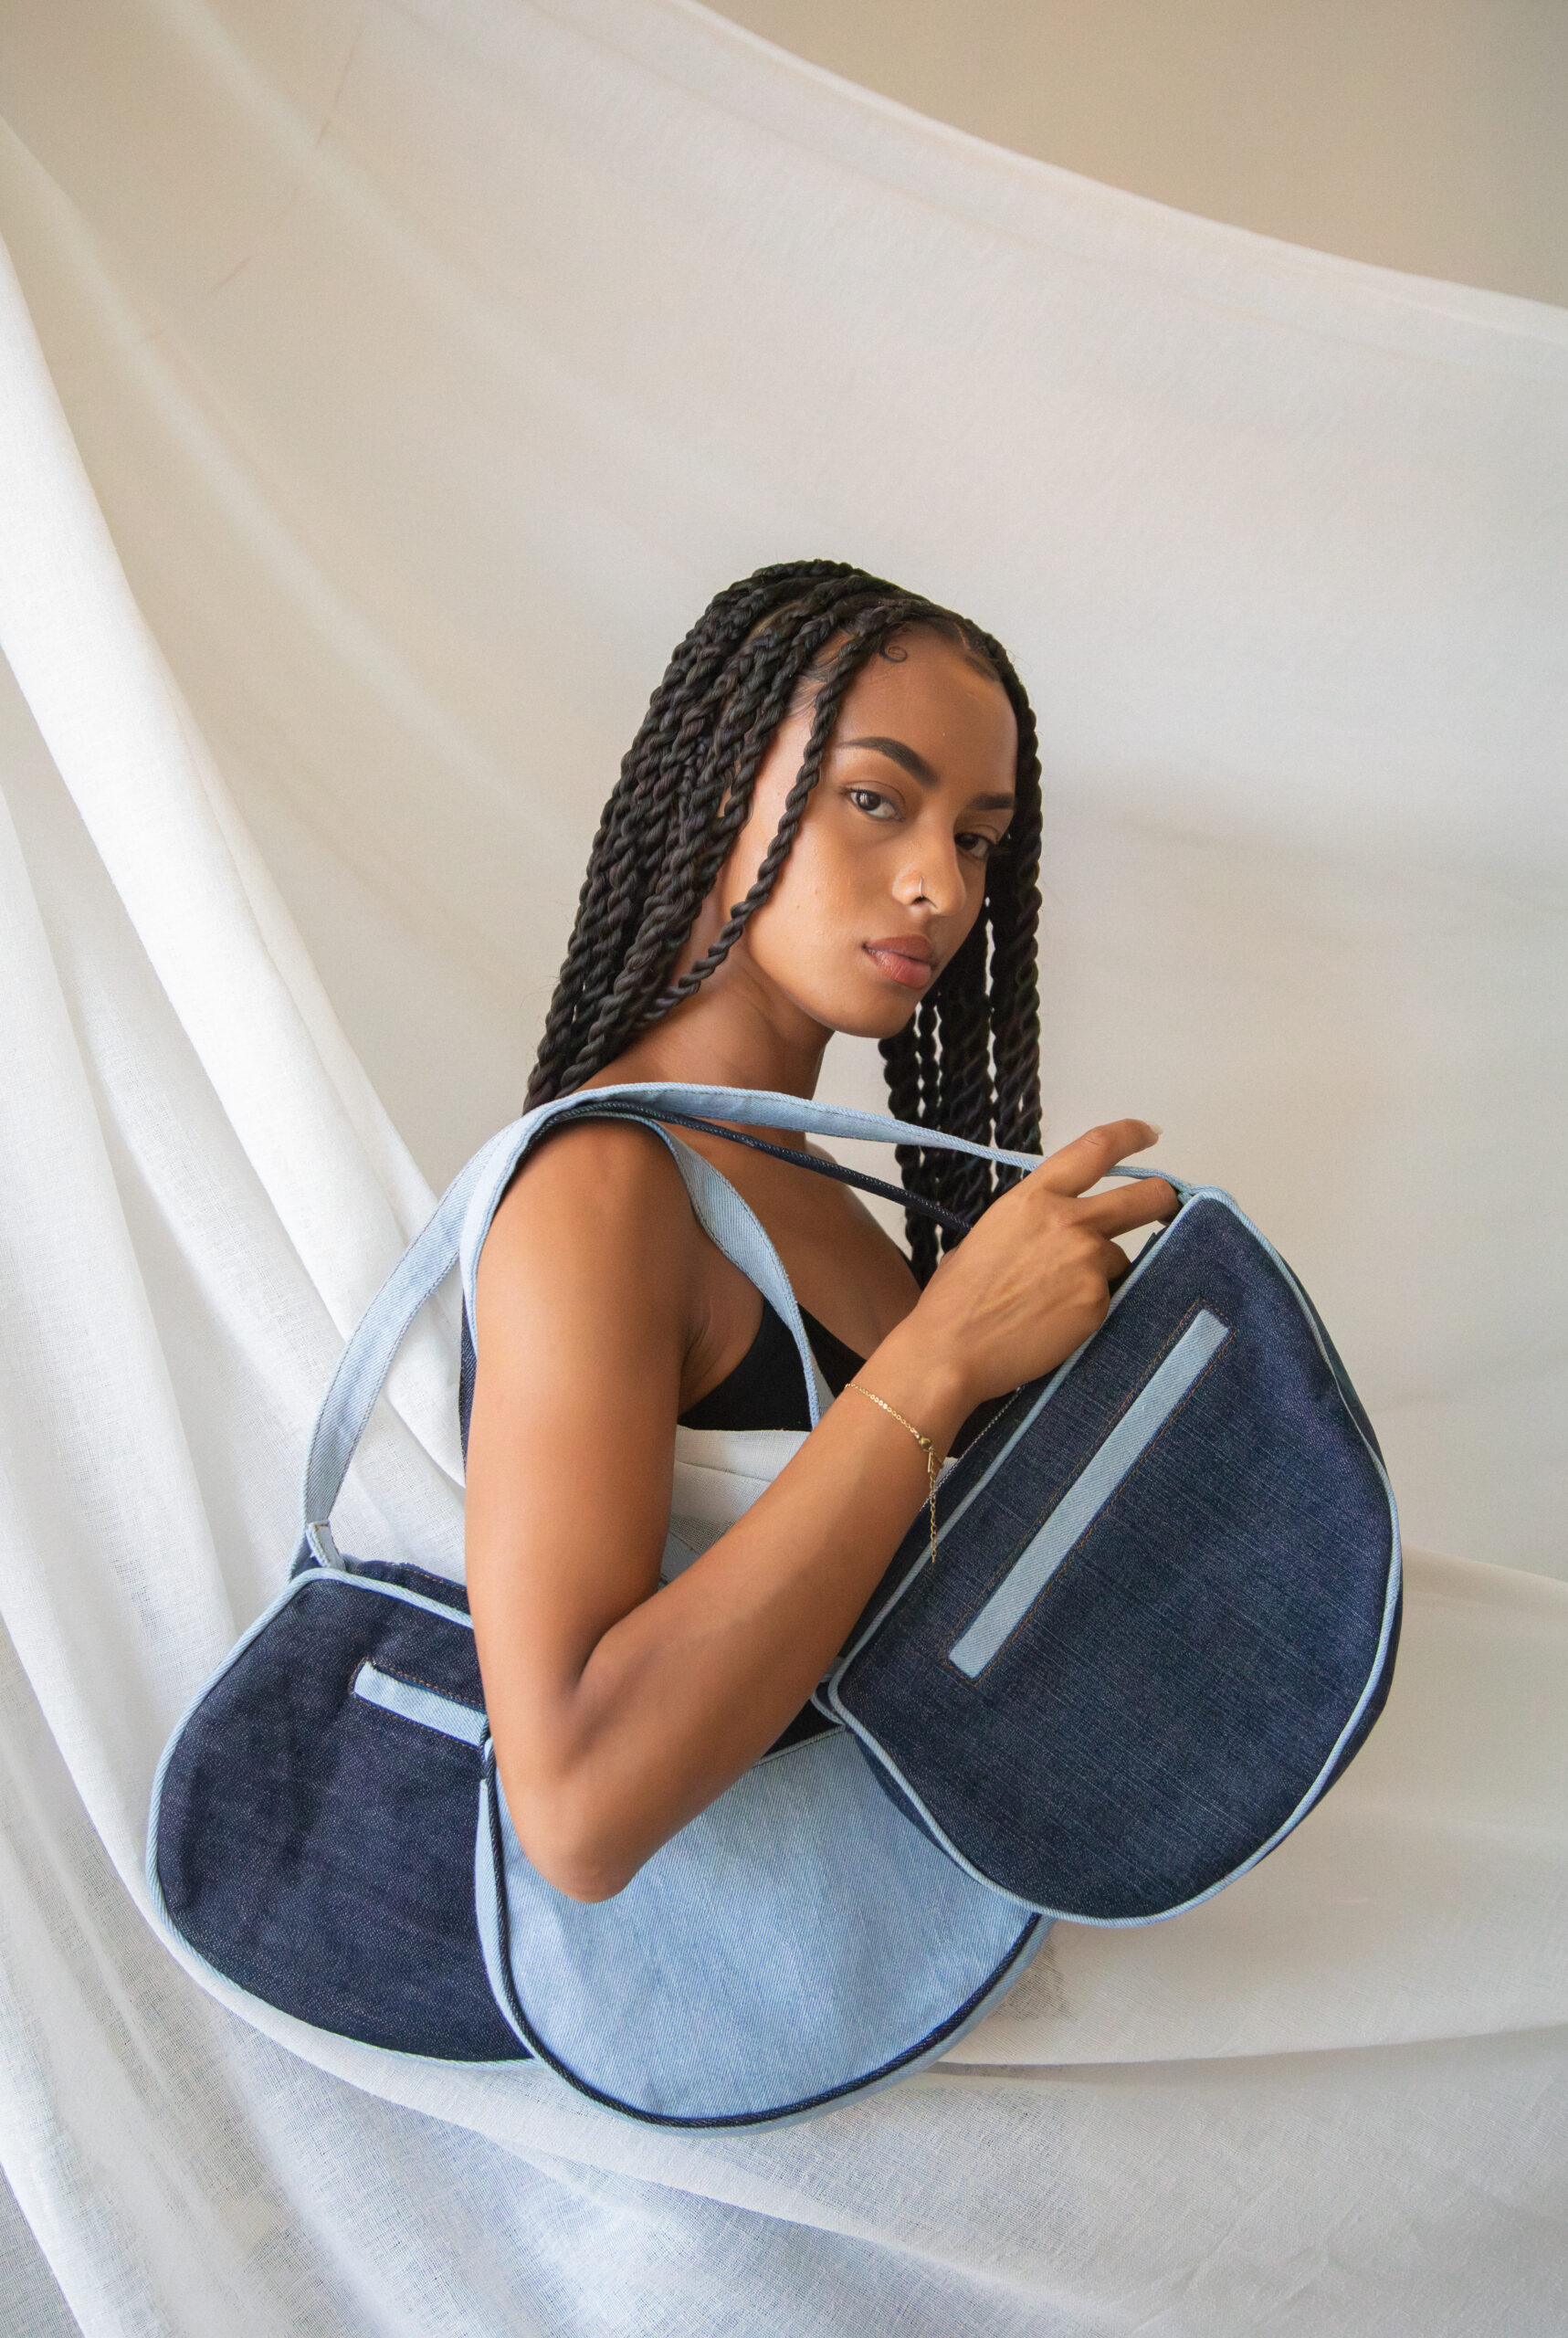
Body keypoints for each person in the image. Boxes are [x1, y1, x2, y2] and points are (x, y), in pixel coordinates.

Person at [465, 561, 1176, 1904]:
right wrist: (944, 1354)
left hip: (924, 1962)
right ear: (719, 787)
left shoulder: (822, 1199)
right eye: (875, 799)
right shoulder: (606, 1186)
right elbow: (574, 1812)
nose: (938, 885)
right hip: (722, 1992)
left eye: (976, 837)